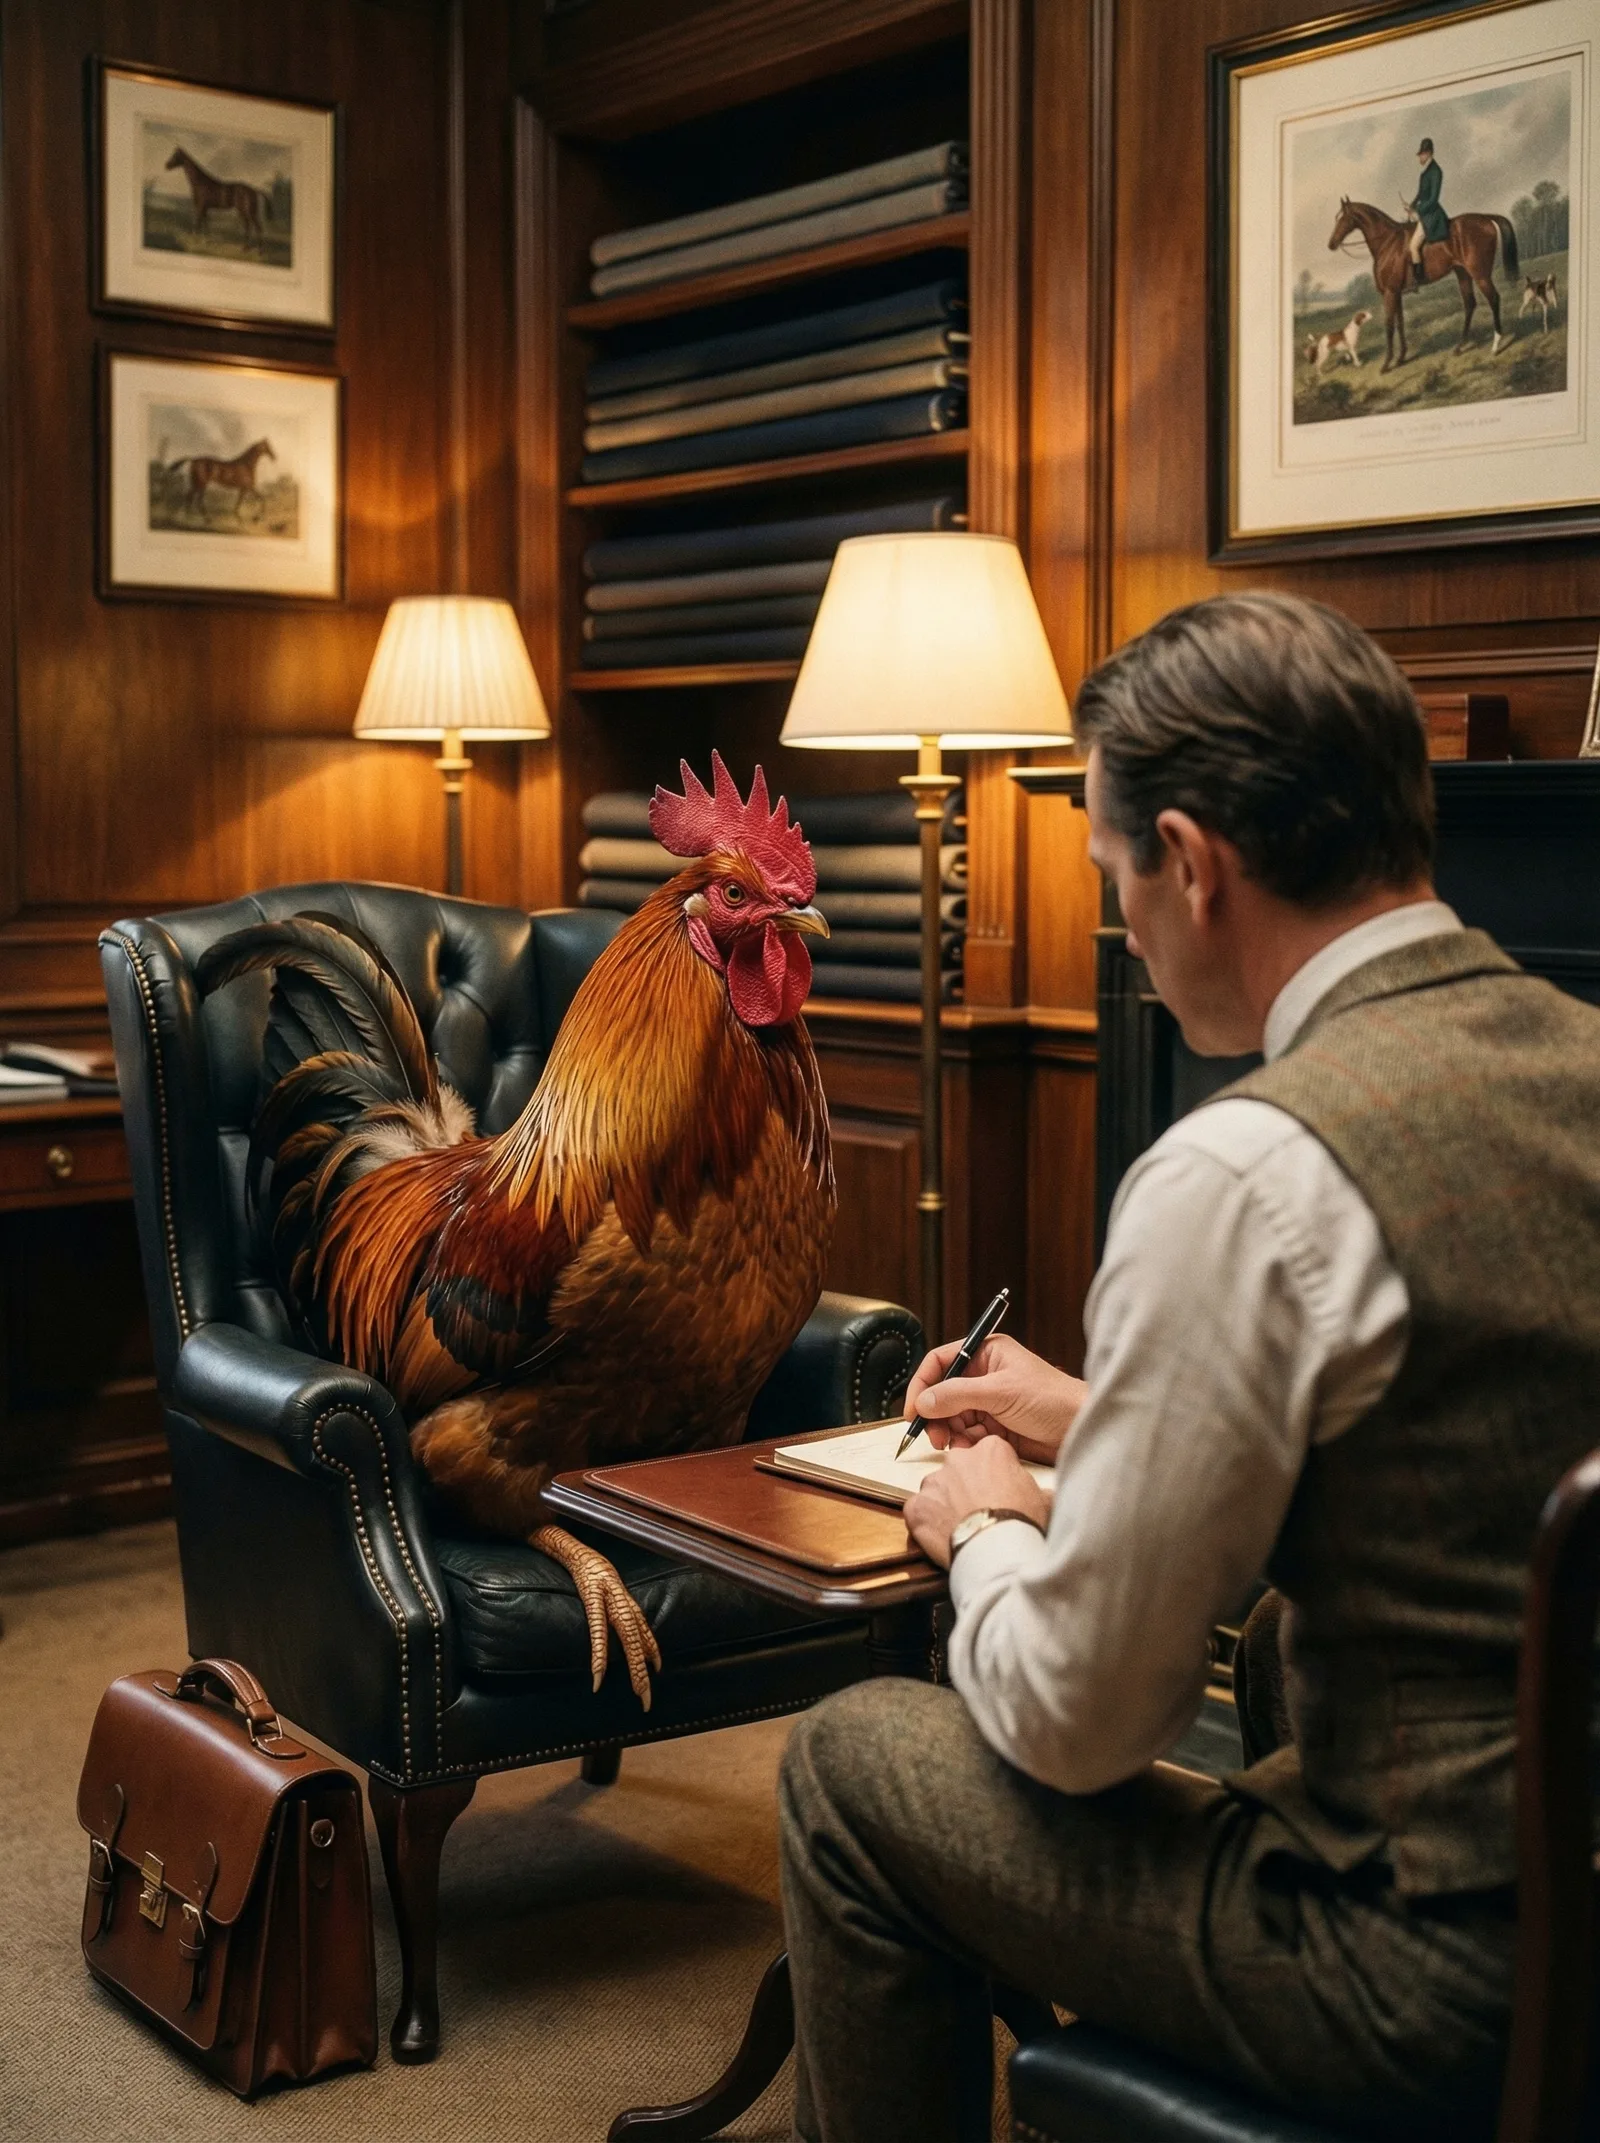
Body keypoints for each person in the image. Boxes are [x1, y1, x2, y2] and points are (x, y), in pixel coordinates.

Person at [777, 592, 1600, 2143]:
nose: (1126, 925)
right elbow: (1455, 1438)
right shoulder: (1579, 1053)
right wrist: (1087, 1417)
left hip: (1435, 1979)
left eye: (1112, 874)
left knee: (852, 1761)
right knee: (1291, 1632)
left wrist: (988, 1534)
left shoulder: (1243, 1173)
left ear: (1196, 864)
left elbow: (1086, 1718)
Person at [1408, 135, 1448, 287]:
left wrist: (1418, 209)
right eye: (1420, 154)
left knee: (1413, 246)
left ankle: (1419, 279)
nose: (1420, 157)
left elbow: (1433, 199)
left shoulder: (1436, 171)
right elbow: (1420, 194)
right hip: (1423, 211)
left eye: (1422, 154)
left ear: (1429, 153)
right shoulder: (1425, 172)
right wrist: (1411, 205)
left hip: (1432, 214)